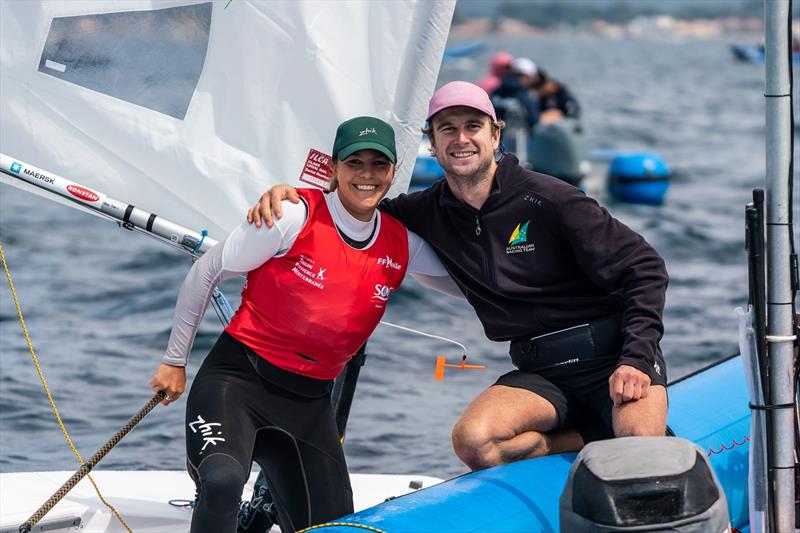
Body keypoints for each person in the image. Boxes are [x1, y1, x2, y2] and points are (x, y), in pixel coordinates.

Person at [247, 81, 670, 473]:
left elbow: (645, 268)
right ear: (432, 142)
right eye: (447, 129)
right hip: (541, 372)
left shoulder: (551, 199)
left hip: (612, 354)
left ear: (495, 136)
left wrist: (635, 357)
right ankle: (591, 435)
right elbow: (354, 209)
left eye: (473, 126)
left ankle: (619, 429)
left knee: (637, 447)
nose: (461, 138)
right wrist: (296, 197)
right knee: (475, 443)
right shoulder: (424, 211)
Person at [149, 116, 453, 532]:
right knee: (221, 484)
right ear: (332, 168)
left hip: (308, 405)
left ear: (393, 173)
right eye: (354, 163)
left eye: (378, 165)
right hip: (238, 382)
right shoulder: (291, 214)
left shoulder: (401, 242)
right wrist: (174, 360)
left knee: (336, 527)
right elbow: (208, 270)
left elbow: (470, 282)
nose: (366, 175)